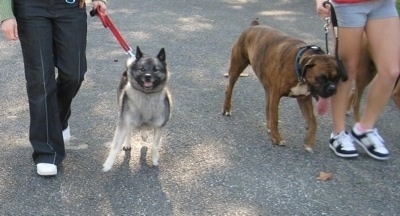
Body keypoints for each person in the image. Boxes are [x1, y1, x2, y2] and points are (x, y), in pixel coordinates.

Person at [0, 0, 108, 176]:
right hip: (30, 7)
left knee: (74, 73)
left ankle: (57, 122)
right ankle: (46, 152)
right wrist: (5, 14)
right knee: (40, 79)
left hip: (70, 6)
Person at [315, 0, 400, 160]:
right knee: (346, 70)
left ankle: (364, 129)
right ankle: (338, 134)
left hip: (383, 3)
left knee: (391, 71)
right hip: (348, 4)